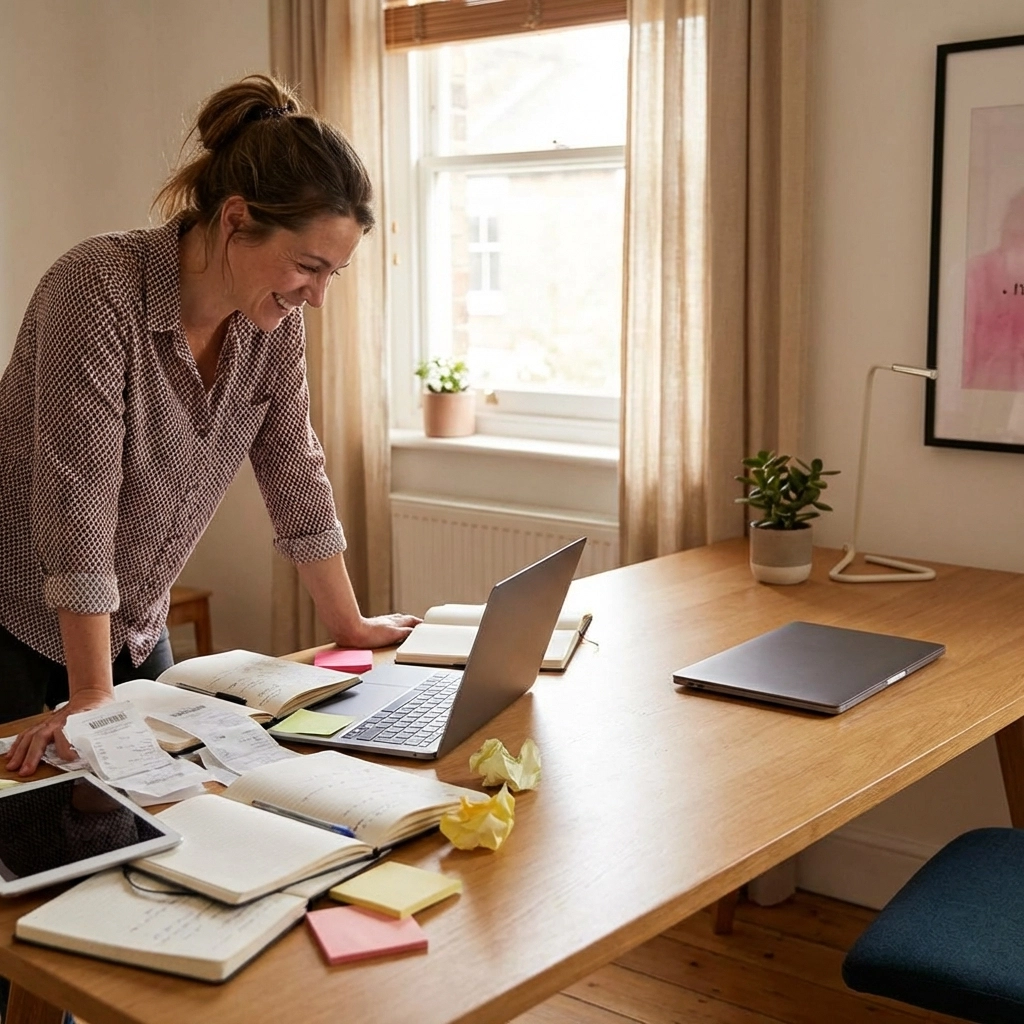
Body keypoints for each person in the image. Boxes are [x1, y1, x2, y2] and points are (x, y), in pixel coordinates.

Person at [0, 74, 418, 777]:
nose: (315, 296)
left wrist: (349, 626)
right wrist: (93, 691)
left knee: (168, 819)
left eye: (333, 275)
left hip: (133, 628)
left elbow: (294, 464)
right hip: (13, 620)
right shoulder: (98, 285)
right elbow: (79, 496)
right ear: (235, 219)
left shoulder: (269, 321)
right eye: (308, 266)